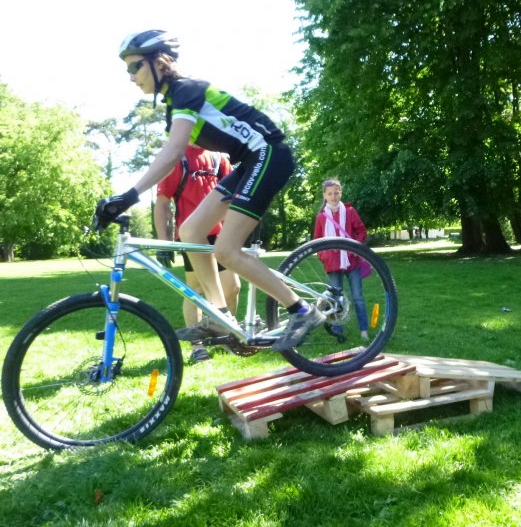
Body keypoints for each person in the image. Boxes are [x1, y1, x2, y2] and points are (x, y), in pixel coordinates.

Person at [95, 29, 325, 352]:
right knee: (190, 230)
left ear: (158, 62)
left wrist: (127, 197)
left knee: (226, 250)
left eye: (135, 67)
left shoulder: (186, 90)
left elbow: (174, 151)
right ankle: (219, 313)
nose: (131, 77)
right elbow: (171, 155)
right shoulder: (175, 105)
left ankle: (301, 310)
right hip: (249, 160)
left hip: (269, 153)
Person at [153, 144, 240, 363]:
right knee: (196, 289)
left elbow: (234, 198)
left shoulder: (219, 159)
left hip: (220, 235)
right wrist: (164, 242)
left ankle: (224, 335)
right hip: (191, 235)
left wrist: (233, 231)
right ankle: (197, 345)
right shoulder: (178, 158)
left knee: (232, 286)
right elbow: (162, 204)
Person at [313, 178, 370, 340]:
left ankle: (364, 330)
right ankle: (338, 331)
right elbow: (317, 241)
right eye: (330, 194)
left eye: (336, 193)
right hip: (332, 263)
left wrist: (355, 249)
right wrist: (324, 256)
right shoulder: (321, 217)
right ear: (324, 196)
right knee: (335, 299)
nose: (333, 196)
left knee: (358, 296)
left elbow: (361, 231)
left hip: (352, 262)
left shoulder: (350, 212)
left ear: (341, 193)